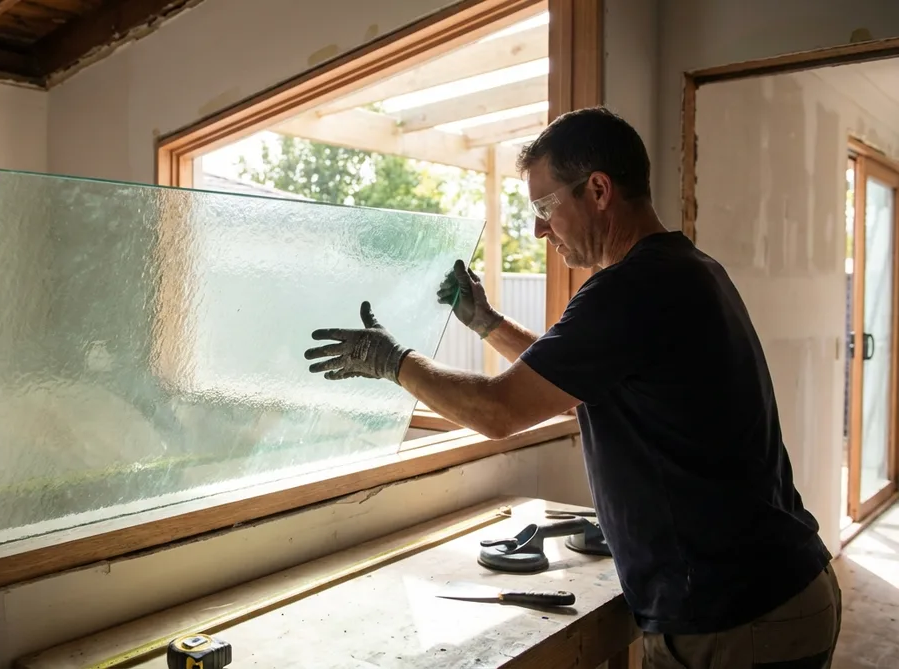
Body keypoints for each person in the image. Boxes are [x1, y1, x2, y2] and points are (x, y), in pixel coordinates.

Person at [304, 107, 841, 669]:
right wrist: (486, 322)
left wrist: (391, 361)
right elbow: (578, 382)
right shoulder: (684, 268)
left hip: (736, 619)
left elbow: (498, 410)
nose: (538, 228)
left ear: (599, 190)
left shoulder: (630, 289)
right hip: (773, 588)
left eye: (544, 206)